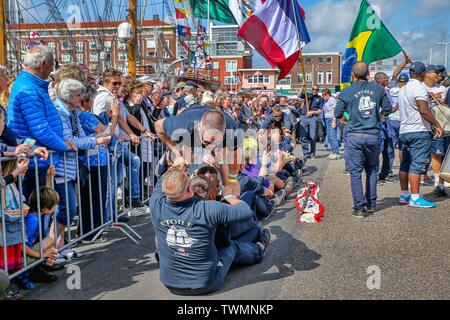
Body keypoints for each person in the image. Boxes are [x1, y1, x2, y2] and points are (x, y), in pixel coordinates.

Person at [149, 168, 270, 296]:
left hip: (171, 285)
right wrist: (229, 196)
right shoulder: (207, 209)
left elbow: (162, 179)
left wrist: (176, 165)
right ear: (190, 189)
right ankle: (259, 248)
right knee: (231, 248)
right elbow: (245, 211)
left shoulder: (155, 205)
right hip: (206, 283)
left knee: (161, 246)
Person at [7, 46, 73, 201]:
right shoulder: (29, 89)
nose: (51, 70)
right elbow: (40, 129)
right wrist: (63, 145)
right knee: (38, 210)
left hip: (37, 159)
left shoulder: (31, 85)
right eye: (51, 65)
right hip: (34, 162)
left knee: (44, 210)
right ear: (43, 64)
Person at [335, 62, 392, 218]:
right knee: (372, 169)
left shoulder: (346, 91)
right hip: (373, 134)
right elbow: (387, 109)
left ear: (353, 75)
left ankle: (359, 208)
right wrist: (379, 116)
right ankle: (371, 204)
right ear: (368, 75)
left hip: (354, 134)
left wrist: (348, 119)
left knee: (355, 172)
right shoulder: (379, 89)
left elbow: (337, 113)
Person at [397, 62, 443, 208]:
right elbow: (423, 110)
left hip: (404, 130)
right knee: (417, 164)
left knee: (405, 164)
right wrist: (437, 124)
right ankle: (415, 198)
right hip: (419, 130)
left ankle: (405, 195)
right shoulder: (419, 88)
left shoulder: (403, 89)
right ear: (423, 74)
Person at [421, 65, 447, 197]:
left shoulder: (441, 88)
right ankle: (416, 182)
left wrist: (440, 100)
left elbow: (445, 106)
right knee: (421, 155)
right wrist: (430, 97)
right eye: (435, 72)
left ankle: (438, 183)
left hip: (438, 125)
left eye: (438, 73)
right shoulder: (420, 87)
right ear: (427, 74)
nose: (438, 75)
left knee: (437, 154)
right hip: (421, 125)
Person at [299, 85, 323, 159]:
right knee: (303, 136)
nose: (314, 90)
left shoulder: (320, 98)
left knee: (313, 136)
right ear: (312, 89)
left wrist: (312, 112)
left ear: (318, 90)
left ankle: (312, 152)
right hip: (304, 117)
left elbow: (320, 110)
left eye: (316, 89)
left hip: (313, 117)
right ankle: (306, 153)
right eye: (313, 89)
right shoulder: (307, 95)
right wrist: (302, 87)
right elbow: (299, 95)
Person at [321, 89, 340, 160]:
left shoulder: (332, 100)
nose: (323, 96)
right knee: (329, 136)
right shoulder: (326, 101)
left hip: (332, 119)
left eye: (324, 94)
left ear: (328, 94)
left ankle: (336, 153)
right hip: (327, 120)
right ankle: (333, 151)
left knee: (333, 136)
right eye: (323, 95)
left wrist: (334, 121)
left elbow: (335, 111)